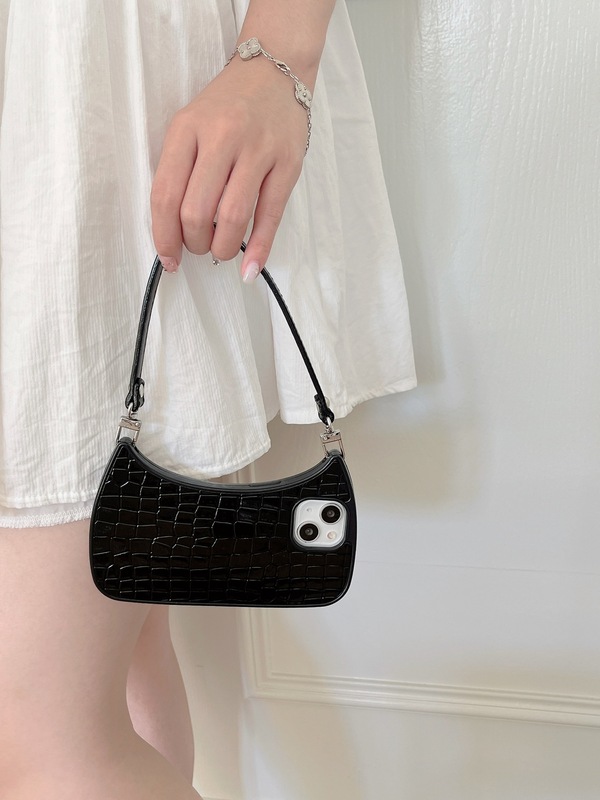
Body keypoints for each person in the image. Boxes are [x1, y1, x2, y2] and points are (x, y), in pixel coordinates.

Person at [0, 0, 415, 797]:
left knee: (40, 738)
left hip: (85, 81)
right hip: (68, 89)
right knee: (121, 657)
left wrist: (281, 54)